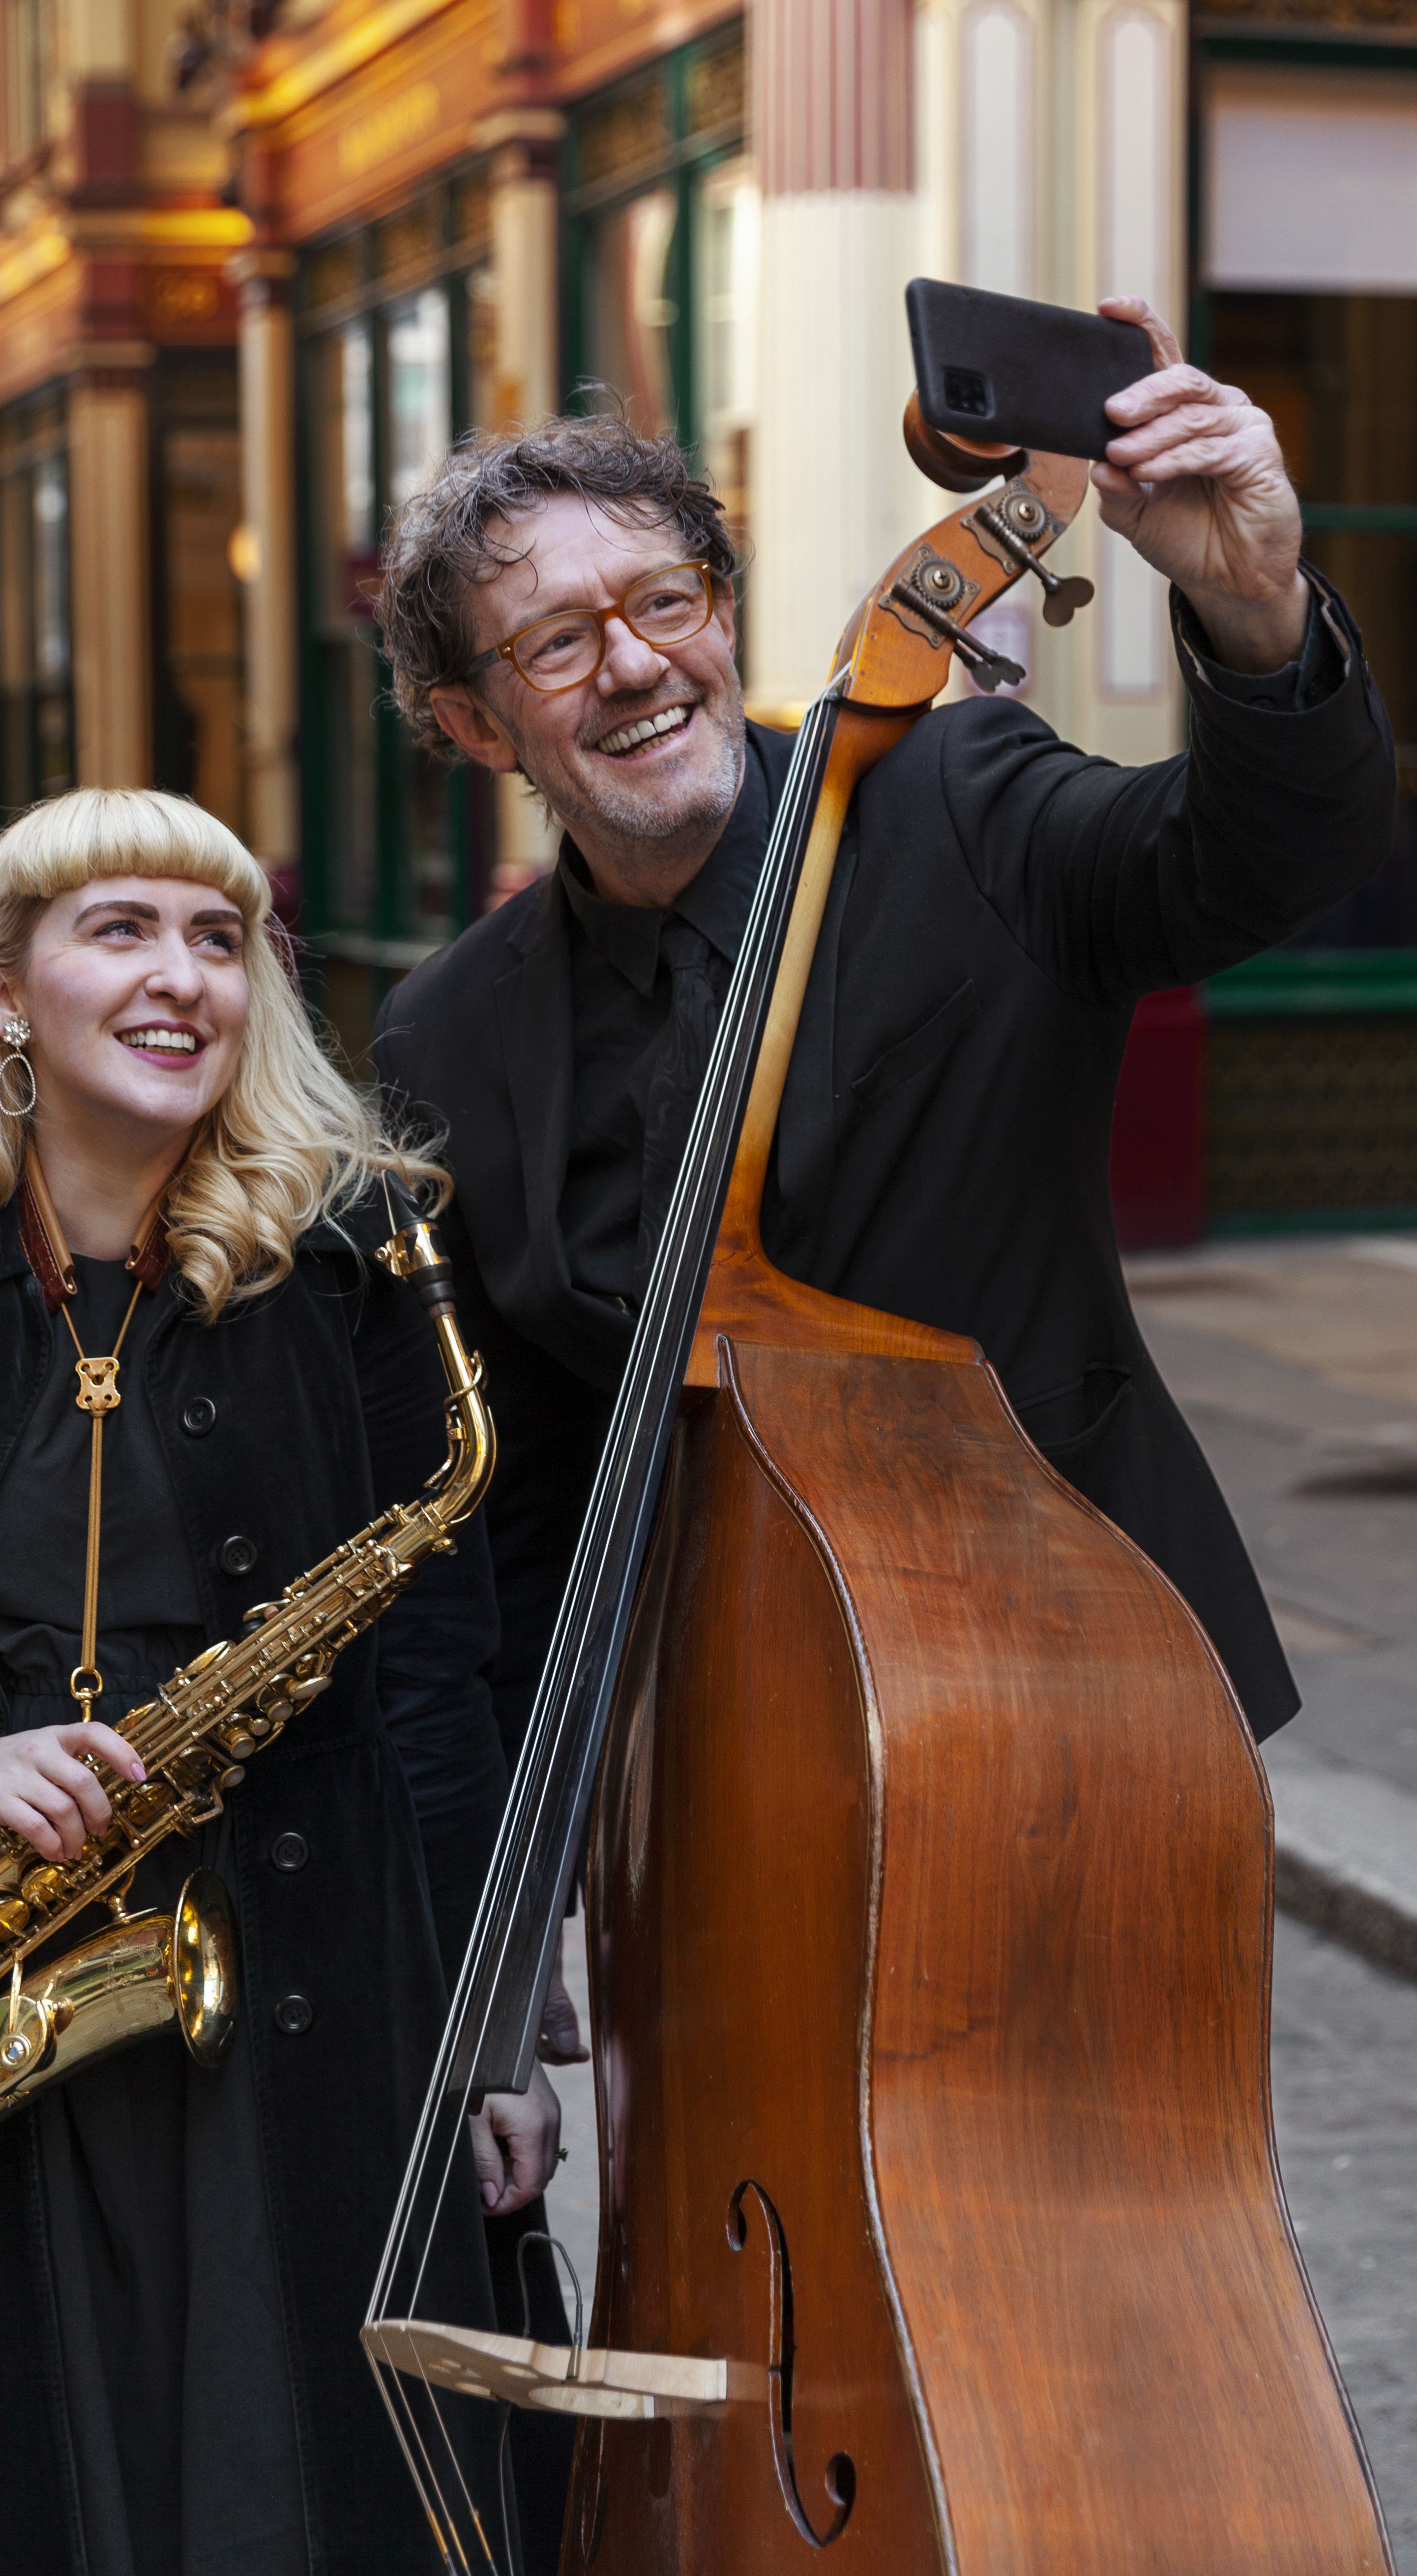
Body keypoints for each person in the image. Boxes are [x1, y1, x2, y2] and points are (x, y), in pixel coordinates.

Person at [368, 309, 1397, 2555]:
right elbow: (516, 1513)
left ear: (721, 607)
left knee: (1076, 2261)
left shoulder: (948, 799)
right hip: (714, 1770)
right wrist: (498, 1946)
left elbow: (1248, 864)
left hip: (1050, 1715)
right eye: (554, 641)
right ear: (469, 721)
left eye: (663, 600)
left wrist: (1251, 604)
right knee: (745, 2236)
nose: (633, 666)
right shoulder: (450, 1032)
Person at [0, 788, 560, 2576]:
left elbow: (438, 1687)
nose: (185, 977)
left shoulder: (358, 1275)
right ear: (5, 992)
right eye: (123, 931)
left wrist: (489, 2042)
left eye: (221, 940)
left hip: (304, 2011)